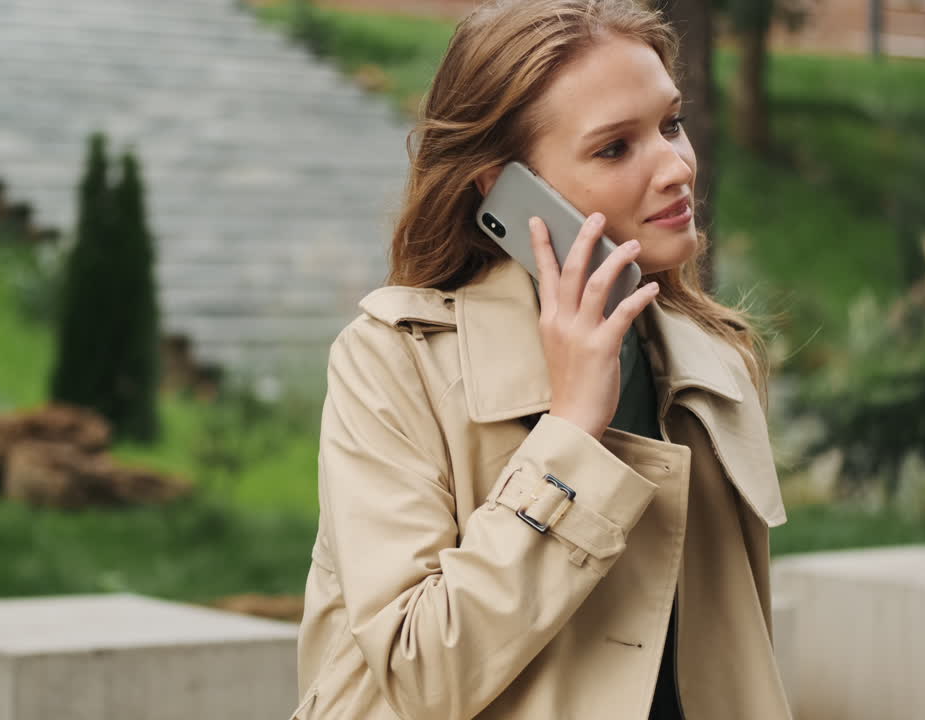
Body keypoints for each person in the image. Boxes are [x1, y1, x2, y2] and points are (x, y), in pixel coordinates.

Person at [292, 1, 793, 718]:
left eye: (670, 124)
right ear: (505, 190)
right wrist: (569, 436)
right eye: (615, 148)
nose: (677, 166)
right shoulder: (393, 366)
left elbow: (737, 656)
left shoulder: (715, 362)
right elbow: (421, 672)